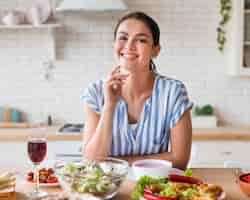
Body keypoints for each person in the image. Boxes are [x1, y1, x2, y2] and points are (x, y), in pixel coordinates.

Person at [81, 11, 192, 170]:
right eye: (123, 38)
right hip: (110, 191)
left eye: (141, 40)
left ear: (155, 50)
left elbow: (180, 160)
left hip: (154, 189)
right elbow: (92, 162)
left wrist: (115, 163)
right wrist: (110, 105)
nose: (129, 46)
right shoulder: (96, 93)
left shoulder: (173, 92)